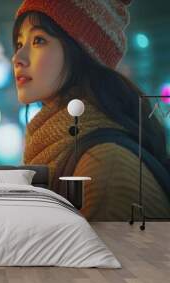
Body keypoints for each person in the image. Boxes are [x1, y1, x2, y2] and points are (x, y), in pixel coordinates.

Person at [12, 0, 170, 220]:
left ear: (82, 52)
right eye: (19, 43)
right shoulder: (62, 148)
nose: (18, 58)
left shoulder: (103, 171)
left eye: (38, 40)